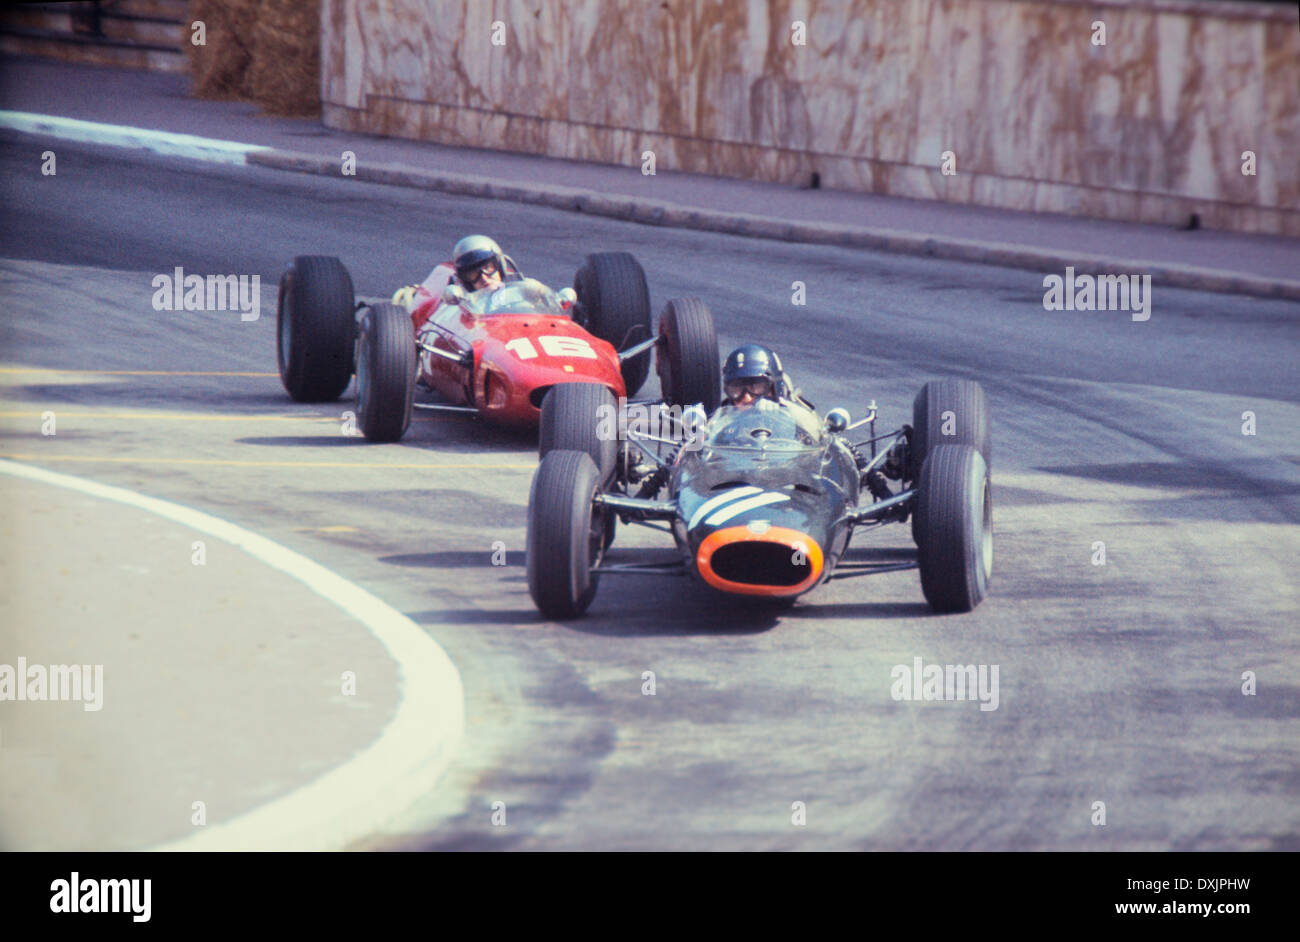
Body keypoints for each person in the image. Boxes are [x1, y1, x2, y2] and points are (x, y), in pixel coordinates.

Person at [721, 343, 787, 409]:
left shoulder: (793, 415)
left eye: (757, 387)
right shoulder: (722, 417)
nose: (747, 398)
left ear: (775, 388)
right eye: (737, 389)